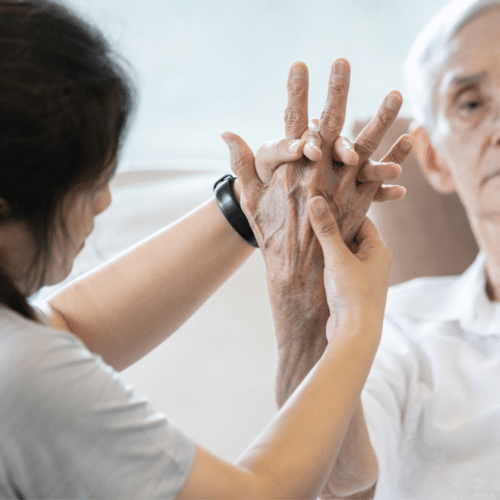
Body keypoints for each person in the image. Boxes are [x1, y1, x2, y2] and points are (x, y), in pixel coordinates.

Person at [0, 1, 413, 498]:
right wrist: (357, 324)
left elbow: (64, 326)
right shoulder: (21, 378)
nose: (105, 202)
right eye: (89, 185)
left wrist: (246, 206)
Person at [274, 0, 500, 498]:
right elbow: (334, 476)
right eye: (470, 104)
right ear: (434, 158)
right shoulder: (393, 327)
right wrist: (303, 298)